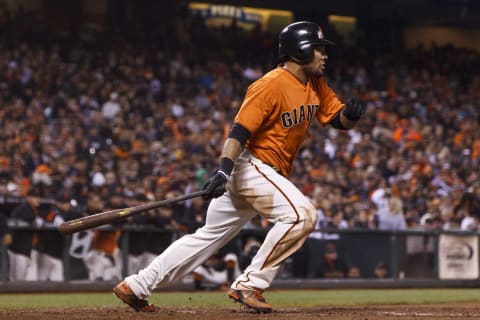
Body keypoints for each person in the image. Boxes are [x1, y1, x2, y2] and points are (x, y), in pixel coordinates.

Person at [113, 20, 366, 313]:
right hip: (252, 167)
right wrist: (223, 169)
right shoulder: (270, 84)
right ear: (300, 50)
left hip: (264, 173)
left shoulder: (315, 83)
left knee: (207, 237)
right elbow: (239, 132)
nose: (324, 55)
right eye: (319, 48)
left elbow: (338, 121)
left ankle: (137, 285)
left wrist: (351, 115)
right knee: (302, 215)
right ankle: (251, 284)